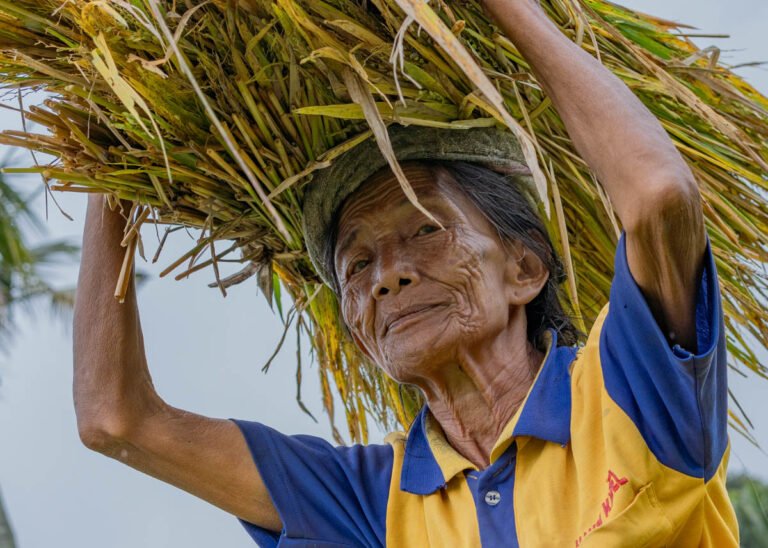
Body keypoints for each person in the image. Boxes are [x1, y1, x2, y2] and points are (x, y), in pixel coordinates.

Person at [73, 0, 739, 546]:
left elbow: (658, 196)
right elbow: (115, 419)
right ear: (361, 337)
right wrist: (113, 160)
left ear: (525, 268)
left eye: (425, 229)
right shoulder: (369, 504)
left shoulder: (623, 392)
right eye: (357, 265)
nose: (387, 277)